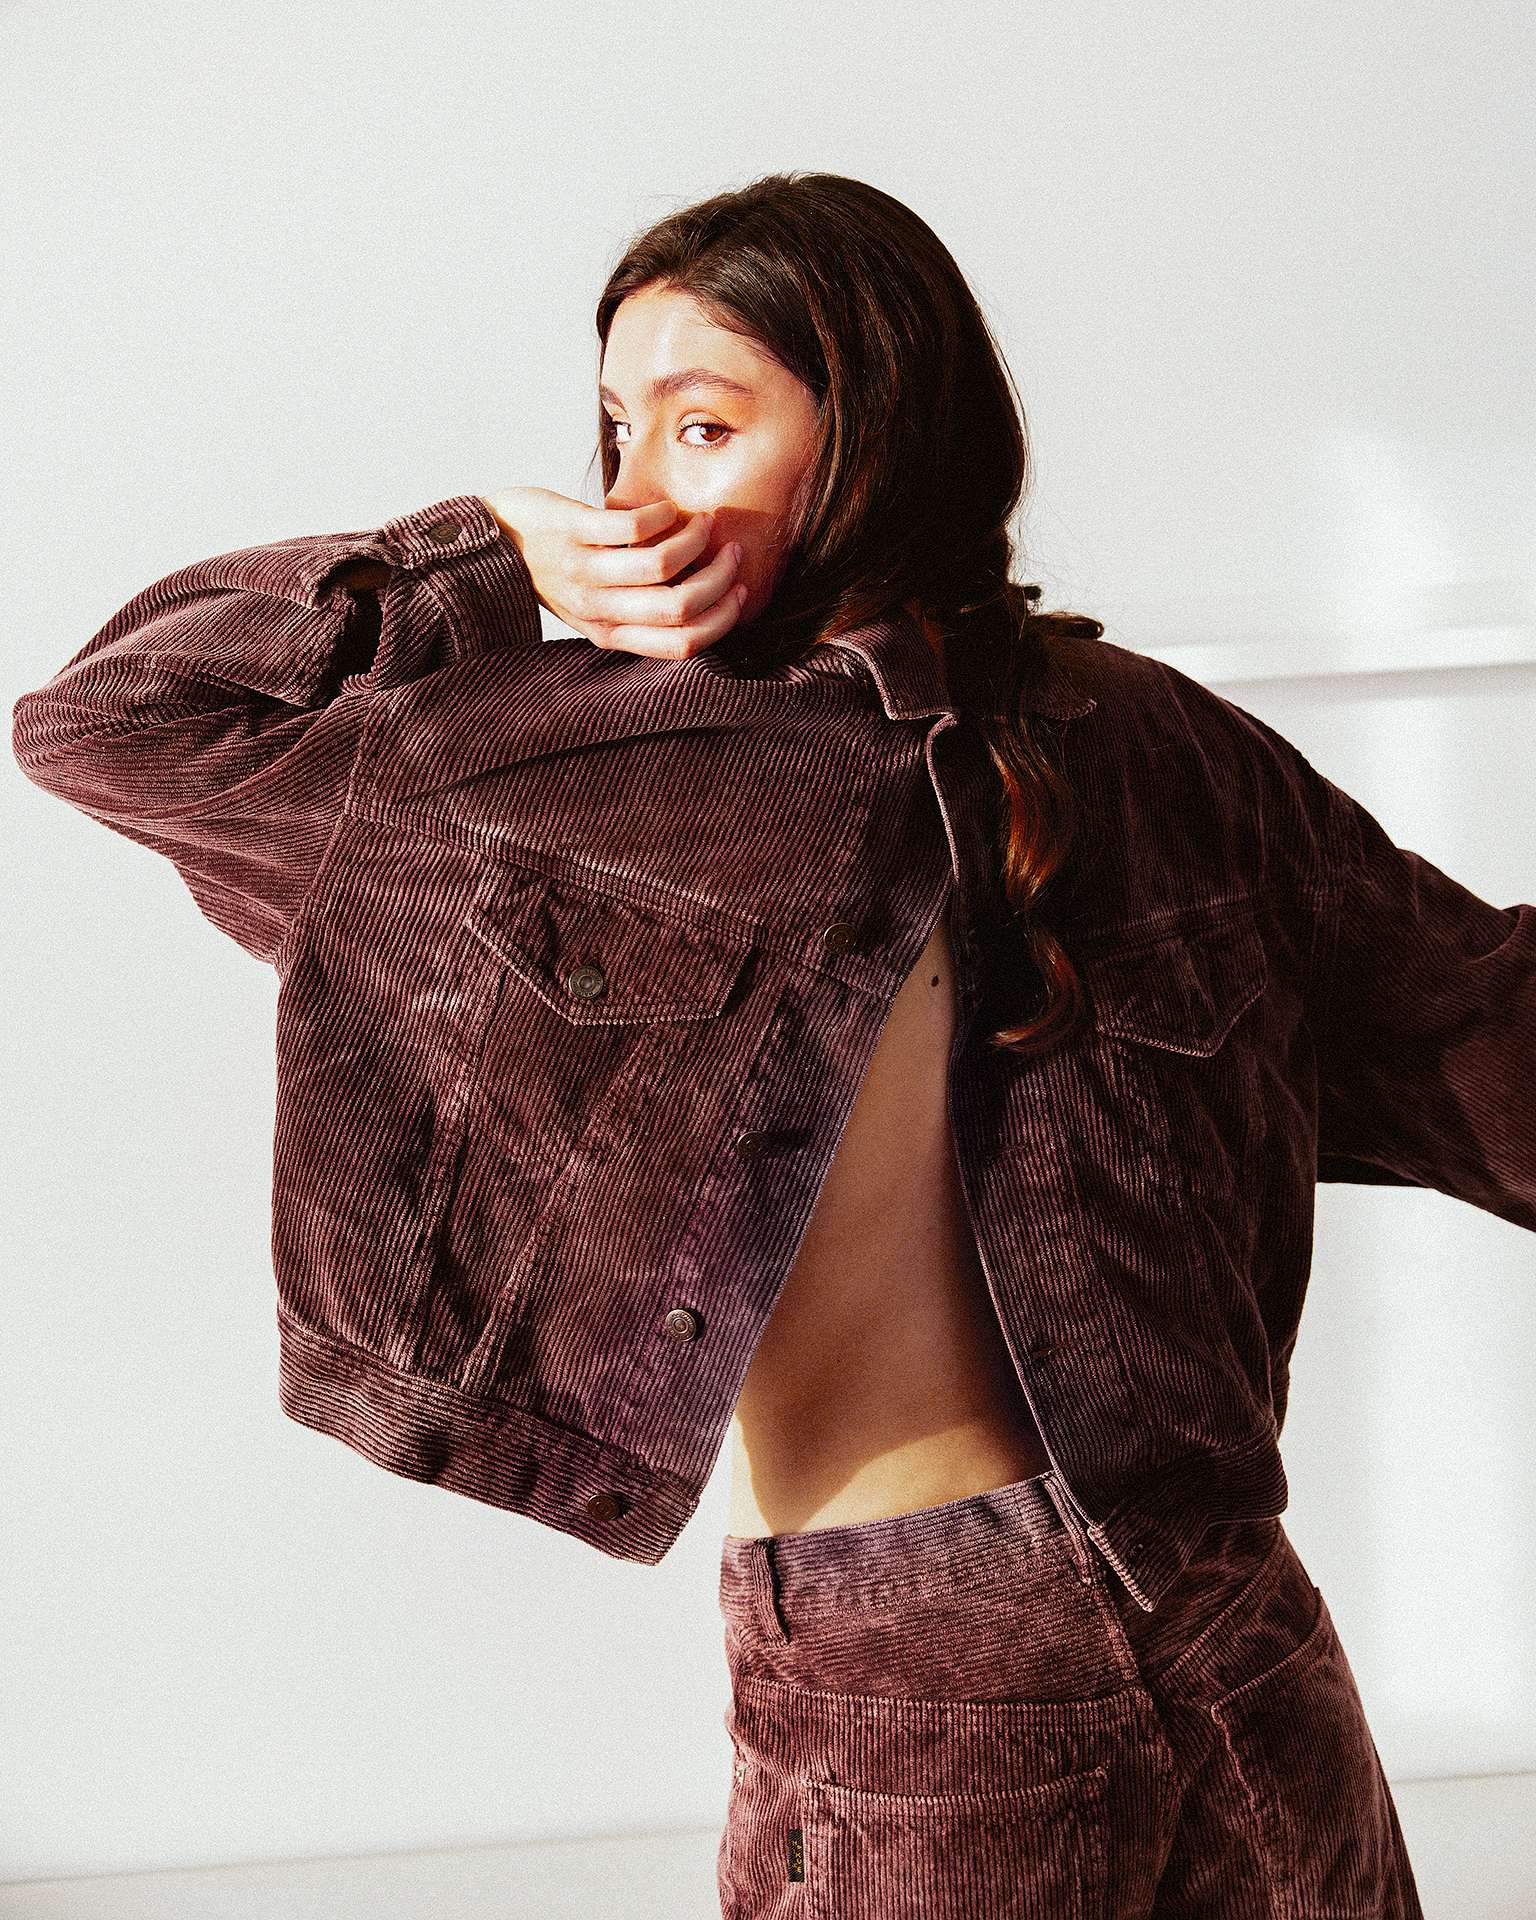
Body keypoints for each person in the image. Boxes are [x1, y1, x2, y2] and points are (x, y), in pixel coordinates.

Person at [13, 173, 1533, 1918]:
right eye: (615, 433)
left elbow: (112, 719)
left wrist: (466, 558)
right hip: (1228, 1637)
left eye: (705, 425)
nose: (633, 495)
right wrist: (499, 551)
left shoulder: (600, 775)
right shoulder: (1153, 742)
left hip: (948, 1686)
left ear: (872, 433)